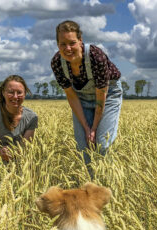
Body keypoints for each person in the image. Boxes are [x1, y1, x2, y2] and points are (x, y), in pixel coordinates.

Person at [51, 20, 122, 175]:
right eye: (63, 44)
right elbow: (71, 96)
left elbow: (101, 95)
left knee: (102, 145)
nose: (68, 48)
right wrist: (86, 127)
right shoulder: (57, 63)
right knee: (83, 147)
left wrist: (94, 129)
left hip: (107, 97)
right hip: (80, 99)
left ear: (80, 40)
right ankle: (90, 187)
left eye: (72, 43)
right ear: (57, 44)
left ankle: (108, 184)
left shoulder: (96, 56)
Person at [0, 75, 38, 162]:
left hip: (19, 162)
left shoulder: (32, 117)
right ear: (3, 93)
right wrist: (1, 152)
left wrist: (14, 153)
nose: (15, 96)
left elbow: (26, 147)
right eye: (11, 92)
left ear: (25, 94)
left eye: (19, 92)